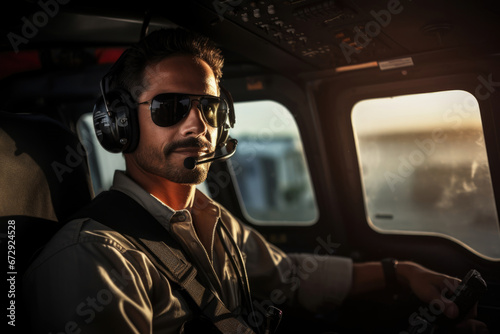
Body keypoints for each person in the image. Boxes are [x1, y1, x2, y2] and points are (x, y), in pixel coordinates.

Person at [23, 28, 488, 334]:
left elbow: (290, 276)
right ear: (120, 124)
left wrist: (400, 271)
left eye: (207, 108)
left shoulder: (209, 218)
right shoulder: (93, 257)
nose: (196, 125)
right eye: (169, 108)